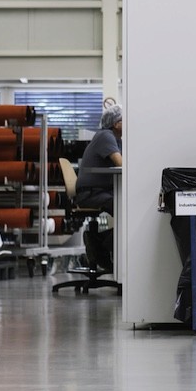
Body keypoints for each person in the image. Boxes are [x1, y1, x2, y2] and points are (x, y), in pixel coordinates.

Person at [74, 104, 123, 272]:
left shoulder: (115, 139)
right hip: (90, 193)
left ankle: (98, 240)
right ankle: (100, 244)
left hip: (100, 191)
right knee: (126, 212)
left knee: (126, 211)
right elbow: (121, 163)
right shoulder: (105, 136)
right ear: (117, 123)